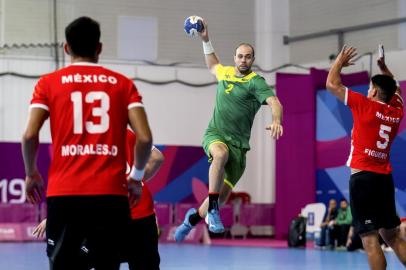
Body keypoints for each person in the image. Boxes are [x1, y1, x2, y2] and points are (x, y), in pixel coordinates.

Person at [21, 16, 153, 270]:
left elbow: (29, 135)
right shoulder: (123, 84)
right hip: (111, 195)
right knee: (107, 263)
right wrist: (135, 178)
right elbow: (145, 138)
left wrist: (31, 173)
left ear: (66, 48)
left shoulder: (48, 83)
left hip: (65, 193)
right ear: (99, 48)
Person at [175, 18, 283, 241]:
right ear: (235, 58)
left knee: (222, 195)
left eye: (248, 56)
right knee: (220, 154)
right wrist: (205, 39)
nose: (243, 60)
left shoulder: (256, 82)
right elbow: (212, 64)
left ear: (253, 59)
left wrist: (276, 121)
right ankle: (213, 211)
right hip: (215, 134)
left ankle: (192, 219)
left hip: (240, 148)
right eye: (240, 56)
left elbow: (275, 103)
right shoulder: (225, 73)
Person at [33, 127, 163, 270]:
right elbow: (157, 158)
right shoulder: (125, 131)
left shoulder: (80, 143)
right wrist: (135, 181)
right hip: (142, 216)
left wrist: (54, 219)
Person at [326, 45, 406, 269]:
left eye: (370, 87)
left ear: (373, 92)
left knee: (370, 241)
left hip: (362, 180)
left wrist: (339, 61)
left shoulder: (364, 105)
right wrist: (385, 69)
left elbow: (331, 84)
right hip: (384, 180)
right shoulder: (396, 112)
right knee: (393, 237)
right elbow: (395, 88)